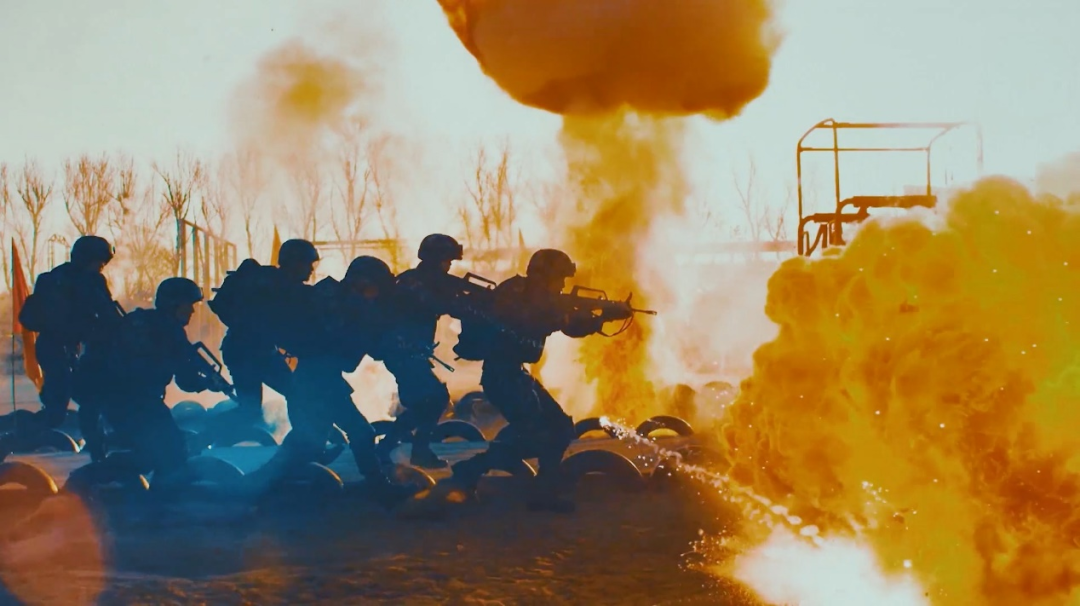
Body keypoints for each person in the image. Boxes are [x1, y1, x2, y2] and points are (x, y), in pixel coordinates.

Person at [407, 249, 632, 515]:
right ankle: (472, 472)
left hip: (515, 373)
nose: (562, 285)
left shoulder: (535, 297)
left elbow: (567, 324)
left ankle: (542, 490)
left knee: (560, 427)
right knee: (535, 435)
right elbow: (545, 320)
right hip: (503, 376)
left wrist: (601, 317)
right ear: (545, 276)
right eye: (559, 279)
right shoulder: (517, 296)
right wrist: (581, 315)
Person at [241, 256, 416, 507]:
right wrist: (369, 325)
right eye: (374, 289)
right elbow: (344, 353)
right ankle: (377, 488)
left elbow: (352, 352)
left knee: (308, 441)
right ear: (361, 283)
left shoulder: (334, 298)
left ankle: (261, 484)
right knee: (355, 433)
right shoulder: (338, 303)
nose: (375, 296)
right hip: (318, 380)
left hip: (318, 379)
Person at [73, 277, 230, 481]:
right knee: (167, 454)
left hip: (119, 401)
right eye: (187, 305)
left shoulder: (139, 322)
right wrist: (208, 383)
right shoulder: (170, 331)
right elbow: (186, 380)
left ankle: (105, 478)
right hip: (138, 403)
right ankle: (90, 479)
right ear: (173, 304)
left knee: (162, 453)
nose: (191, 311)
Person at [2, 235, 121, 459]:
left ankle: (97, 453)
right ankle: (8, 440)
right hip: (60, 350)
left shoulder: (53, 278)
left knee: (87, 401)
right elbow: (107, 315)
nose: (101, 266)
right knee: (63, 409)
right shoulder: (89, 282)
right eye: (99, 262)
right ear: (89, 258)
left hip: (57, 349)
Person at [203, 239, 317, 444]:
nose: (311, 269)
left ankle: (304, 442)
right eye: (307, 263)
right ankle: (201, 437)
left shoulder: (281, 285)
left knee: (296, 395)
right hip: (245, 354)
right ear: (294, 262)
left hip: (259, 352)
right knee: (253, 409)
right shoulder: (271, 285)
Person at [375, 234, 465, 469]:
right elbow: (437, 304)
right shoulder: (412, 283)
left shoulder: (421, 282)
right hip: (402, 352)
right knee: (435, 398)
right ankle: (409, 450)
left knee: (427, 402)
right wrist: (456, 299)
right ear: (436, 259)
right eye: (447, 261)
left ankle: (394, 447)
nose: (449, 266)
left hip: (409, 353)